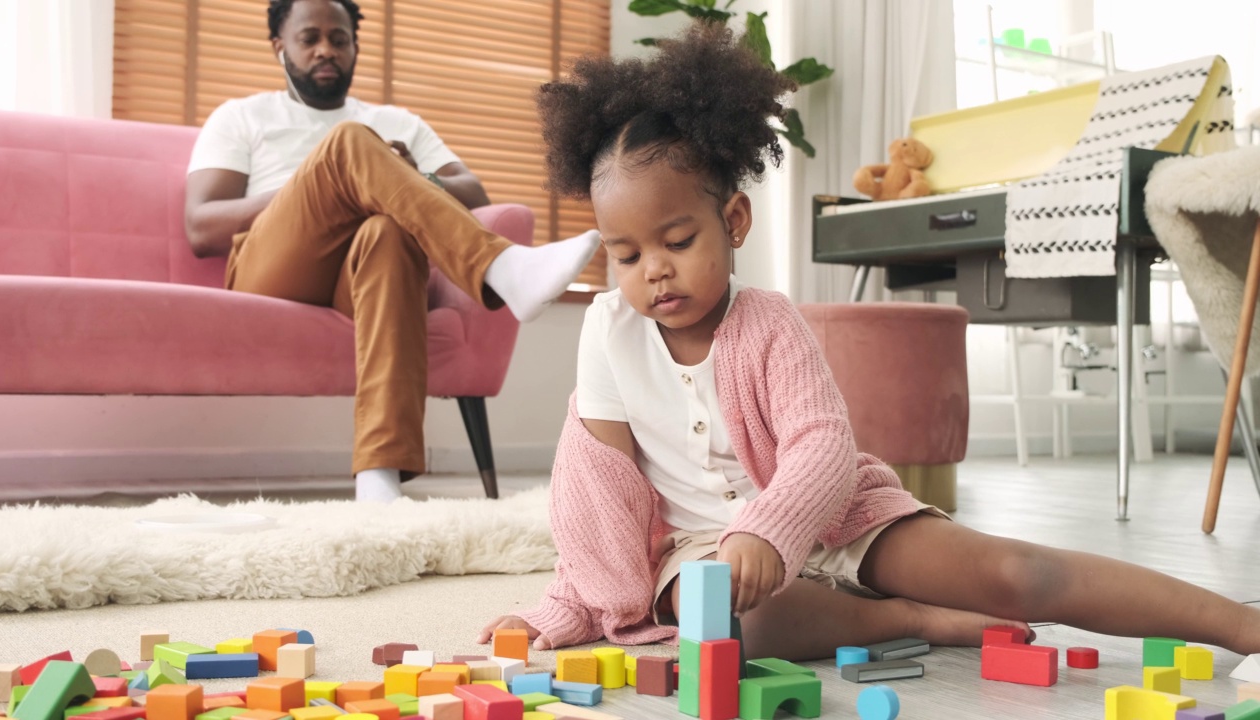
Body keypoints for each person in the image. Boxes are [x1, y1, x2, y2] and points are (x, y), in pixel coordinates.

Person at [477, 23, 1260, 661]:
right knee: (720, 628)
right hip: (700, 549)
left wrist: (770, 529)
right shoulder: (609, 333)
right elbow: (597, 488)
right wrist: (577, 598)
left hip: (834, 514)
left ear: (734, 222)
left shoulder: (771, 320)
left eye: (677, 239)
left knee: (1013, 572)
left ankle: (1238, 623)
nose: (654, 271)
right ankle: (906, 619)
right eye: (626, 255)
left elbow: (821, 446)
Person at [183, 0, 600, 503]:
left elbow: (474, 195)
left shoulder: (395, 120)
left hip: (356, 277)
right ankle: (501, 266)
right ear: (280, 48)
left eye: (339, 39)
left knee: (388, 231)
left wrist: (405, 174)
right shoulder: (243, 116)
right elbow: (202, 225)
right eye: (309, 37)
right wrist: (325, 178)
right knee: (347, 146)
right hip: (273, 267)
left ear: (355, 46)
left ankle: (379, 478)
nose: (325, 50)